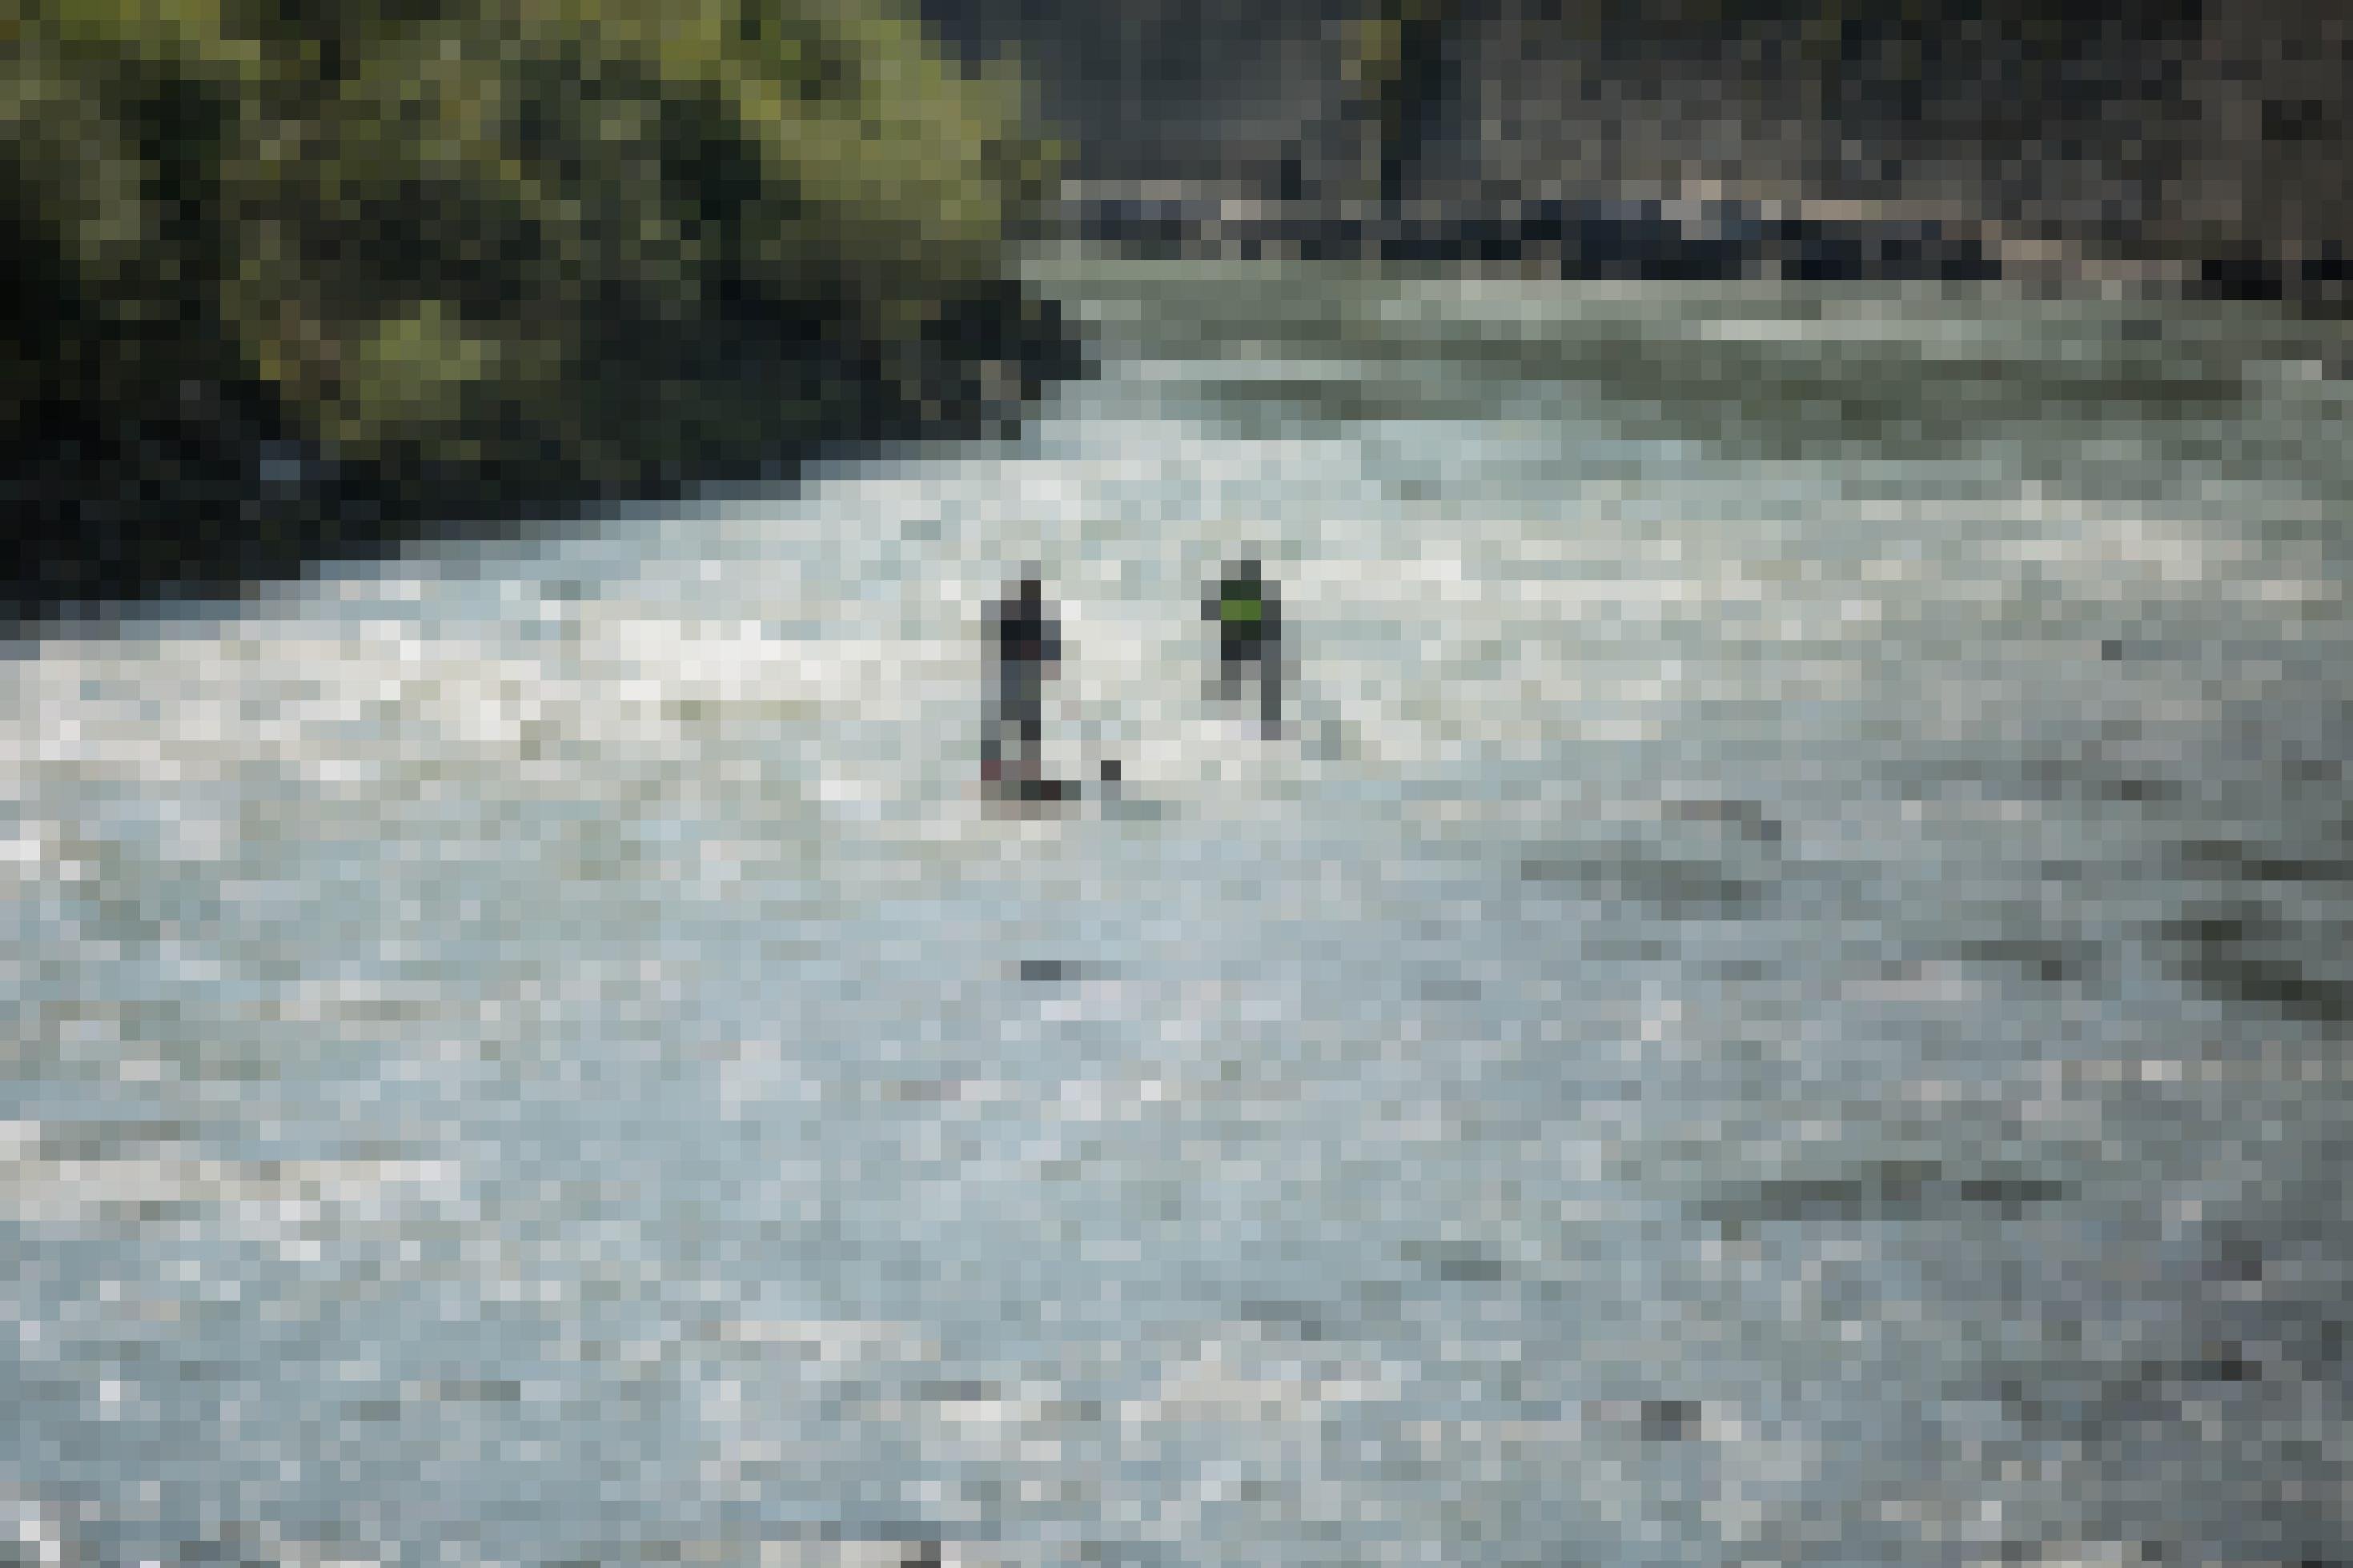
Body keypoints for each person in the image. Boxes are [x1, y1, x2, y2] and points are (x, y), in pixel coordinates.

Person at [982, 571, 1062, 788]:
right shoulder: (1028, 618)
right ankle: (1014, 776)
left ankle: (1012, 775)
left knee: (1016, 727)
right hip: (1018, 677)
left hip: (1017, 677)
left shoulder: (1015, 616)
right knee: (1020, 727)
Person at [1204, 555, 1282, 736]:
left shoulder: (1231, 590)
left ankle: (1236, 724)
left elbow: (1209, 611)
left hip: (1236, 645)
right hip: (1246, 646)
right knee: (1253, 689)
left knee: (1239, 690)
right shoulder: (1255, 591)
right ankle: (1262, 726)